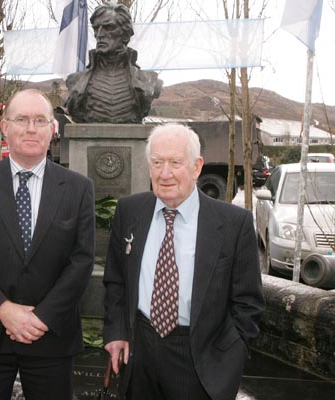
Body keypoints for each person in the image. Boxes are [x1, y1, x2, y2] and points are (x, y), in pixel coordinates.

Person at [103, 123, 265, 399]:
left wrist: (229, 358)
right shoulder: (129, 210)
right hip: (140, 353)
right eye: (157, 162)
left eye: (175, 162)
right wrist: (116, 332)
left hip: (200, 360)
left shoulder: (233, 224)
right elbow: (117, 280)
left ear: (197, 166)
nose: (165, 173)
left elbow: (249, 304)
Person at [0, 89, 95, 399]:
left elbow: (81, 261)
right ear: (5, 127)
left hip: (51, 335)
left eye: (40, 120)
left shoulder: (78, 188)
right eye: (22, 119)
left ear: (52, 129)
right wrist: (5, 311)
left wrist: (41, 318)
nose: (31, 128)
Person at [65, 2, 162, 124]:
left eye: (109, 27)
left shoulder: (148, 81)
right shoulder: (76, 81)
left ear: (125, 35)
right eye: (96, 28)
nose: (99, 35)